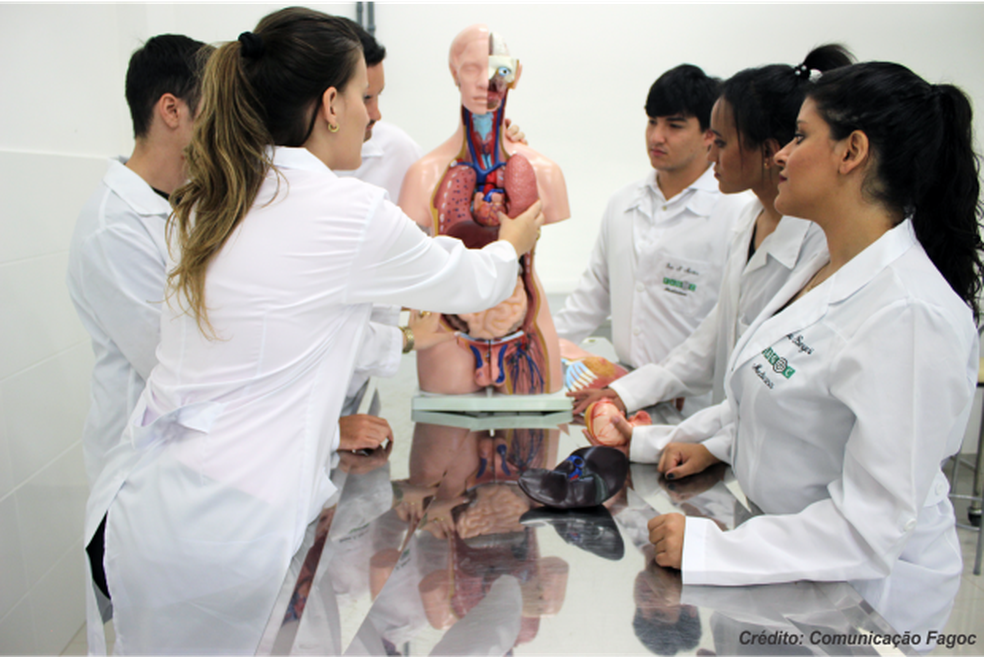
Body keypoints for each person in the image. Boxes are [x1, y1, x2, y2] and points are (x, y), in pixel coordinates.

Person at [83, 8, 544, 655]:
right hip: (235, 531)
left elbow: (292, 331)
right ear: (330, 103)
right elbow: (466, 281)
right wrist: (511, 244)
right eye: (363, 96)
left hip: (153, 512)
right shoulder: (344, 210)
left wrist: (409, 340)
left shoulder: (214, 195)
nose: (371, 115)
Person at [646, 62, 983, 638]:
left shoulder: (909, 313)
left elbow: (867, 527)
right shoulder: (819, 262)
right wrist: (713, 444)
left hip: (860, 604)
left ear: (852, 152)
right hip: (784, 567)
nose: (781, 154)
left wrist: (716, 551)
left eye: (801, 137)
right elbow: (780, 398)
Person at [578, 47, 852, 456]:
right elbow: (711, 342)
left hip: (772, 456)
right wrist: (627, 394)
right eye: (651, 122)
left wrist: (678, 440)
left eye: (720, 142)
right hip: (733, 440)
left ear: (770, 150)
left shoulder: (818, 246)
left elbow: (773, 390)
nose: (711, 154)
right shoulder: (750, 224)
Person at [554, 64, 748, 417]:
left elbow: (716, 333)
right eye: (651, 122)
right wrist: (538, 353)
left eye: (674, 125)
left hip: (692, 405)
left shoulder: (736, 213)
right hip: (615, 392)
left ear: (709, 134)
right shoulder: (623, 204)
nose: (656, 137)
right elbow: (591, 297)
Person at [67, 34, 211, 490]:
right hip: (139, 478)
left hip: (189, 471)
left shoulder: (186, 207)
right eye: (217, 111)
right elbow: (177, 369)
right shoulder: (115, 226)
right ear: (172, 111)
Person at [399, 24, 570, 396]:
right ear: (453, 73)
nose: (485, 82)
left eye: (498, 70)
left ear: (515, 74)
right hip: (445, 333)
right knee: (445, 443)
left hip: (527, 329)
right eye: (472, 68)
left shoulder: (543, 171)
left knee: (533, 447)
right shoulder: (424, 174)